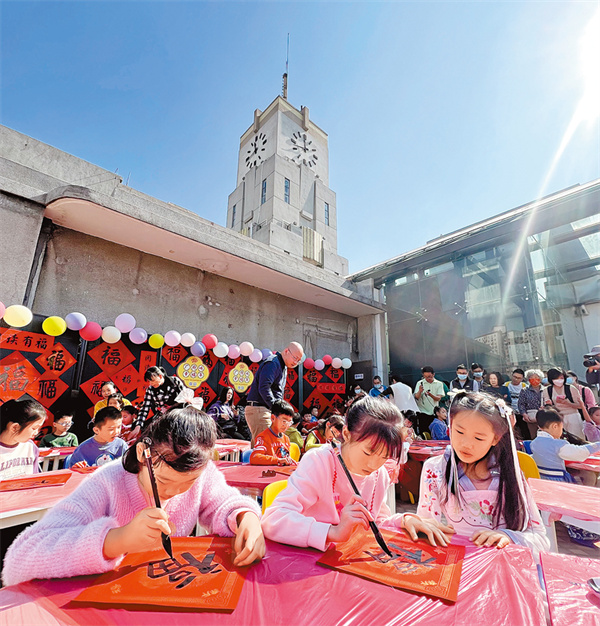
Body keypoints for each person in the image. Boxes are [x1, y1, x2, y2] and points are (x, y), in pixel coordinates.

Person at [2, 405, 265, 586]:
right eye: (163, 481)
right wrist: (116, 540)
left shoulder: (201, 473)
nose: (173, 492)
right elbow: (20, 558)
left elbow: (225, 503)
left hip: (166, 594)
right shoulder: (106, 482)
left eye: (187, 483)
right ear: (142, 453)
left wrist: (247, 519)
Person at [261, 396, 452, 551]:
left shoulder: (380, 474)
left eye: (384, 456)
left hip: (349, 566)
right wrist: (332, 532)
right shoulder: (319, 462)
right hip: (306, 565)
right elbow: (273, 519)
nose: (374, 463)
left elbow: (376, 520)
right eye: (368, 452)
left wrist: (404, 519)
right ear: (346, 434)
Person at [417, 391, 549, 553]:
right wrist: (411, 523)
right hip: (457, 565)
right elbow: (426, 526)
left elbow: (540, 537)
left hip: (500, 565)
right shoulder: (436, 469)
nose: (466, 444)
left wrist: (508, 537)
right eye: (459, 432)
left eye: (478, 438)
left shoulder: (509, 473)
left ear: (496, 438)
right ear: (450, 427)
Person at [531, 408, 600, 545]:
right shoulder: (558, 445)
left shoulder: (534, 443)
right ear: (554, 426)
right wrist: (598, 445)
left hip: (543, 485)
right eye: (561, 428)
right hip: (559, 486)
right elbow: (579, 453)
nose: (562, 432)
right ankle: (581, 533)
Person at [246, 342, 303, 445]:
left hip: (265, 409)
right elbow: (264, 387)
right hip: (260, 409)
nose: (295, 362)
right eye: (295, 358)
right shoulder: (272, 363)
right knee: (266, 446)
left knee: (263, 446)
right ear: (286, 351)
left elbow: (276, 391)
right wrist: (277, 408)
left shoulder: (282, 365)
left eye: (298, 361)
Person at [130, 366, 187, 439]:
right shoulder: (150, 390)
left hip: (178, 415)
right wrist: (138, 426)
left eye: (152, 380)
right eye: (149, 381)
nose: (151, 383)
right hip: (162, 418)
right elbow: (145, 409)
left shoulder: (175, 381)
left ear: (160, 376)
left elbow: (185, 396)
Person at [0, 399, 45, 480]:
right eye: (34, 428)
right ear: (15, 427)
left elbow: (34, 479)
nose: (36, 433)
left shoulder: (30, 447)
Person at [542, 367, 586, 440]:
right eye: (556, 378)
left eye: (561, 378)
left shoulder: (571, 388)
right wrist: (550, 406)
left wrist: (568, 403)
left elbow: (581, 406)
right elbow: (547, 406)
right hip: (558, 418)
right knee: (561, 439)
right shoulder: (547, 390)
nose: (559, 380)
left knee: (578, 438)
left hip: (573, 416)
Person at [250, 400, 297, 466]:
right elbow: (254, 457)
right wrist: (277, 460)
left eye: (289, 422)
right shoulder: (263, 437)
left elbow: (286, 457)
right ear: (273, 418)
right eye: (284, 421)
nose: (286, 425)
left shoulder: (286, 439)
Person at [413, 366, 445, 434]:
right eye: (426, 377)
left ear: (433, 374)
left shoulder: (439, 384)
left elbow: (438, 398)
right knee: (424, 433)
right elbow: (416, 397)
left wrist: (430, 395)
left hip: (433, 412)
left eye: (430, 376)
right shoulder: (420, 383)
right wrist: (420, 391)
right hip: (422, 411)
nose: (428, 379)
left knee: (434, 433)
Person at [518, 369, 544, 439]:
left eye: (537, 378)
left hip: (545, 416)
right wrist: (524, 414)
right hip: (531, 417)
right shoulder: (524, 390)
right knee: (534, 436)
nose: (534, 380)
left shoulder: (545, 389)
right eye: (532, 378)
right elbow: (521, 404)